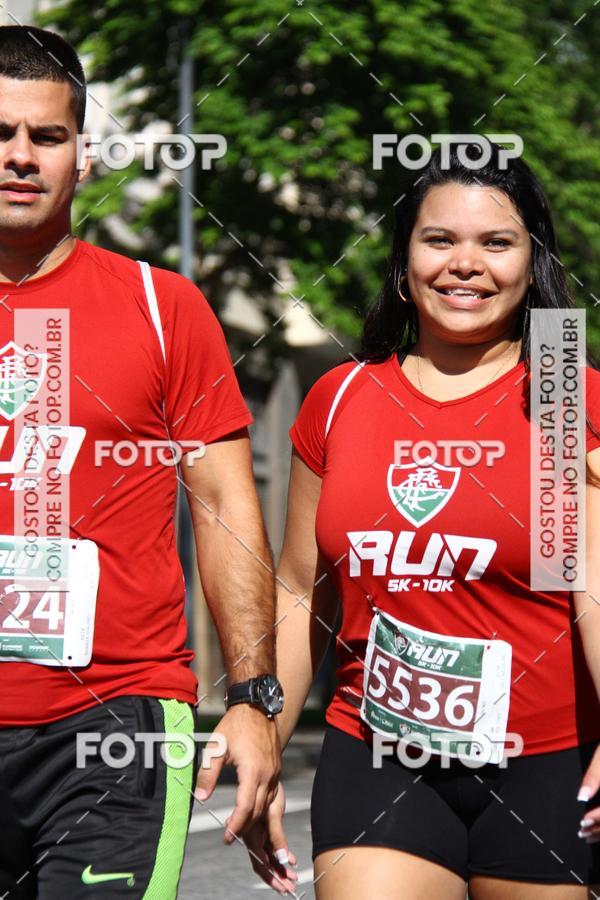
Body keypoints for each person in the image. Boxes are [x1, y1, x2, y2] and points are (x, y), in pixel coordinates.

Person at [244, 143, 600, 898]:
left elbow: (592, 587)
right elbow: (303, 592)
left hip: (550, 764)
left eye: (496, 243)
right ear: (404, 260)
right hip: (377, 755)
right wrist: (263, 739)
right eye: (439, 240)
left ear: (530, 261)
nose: (464, 264)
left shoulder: (569, 392)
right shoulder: (340, 398)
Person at [0, 25, 285, 899]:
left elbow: (227, 507)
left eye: (45, 137)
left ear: (81, 157)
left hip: (115, 724)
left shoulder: (163, 308)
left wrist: (254, 699)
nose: (20, 157)